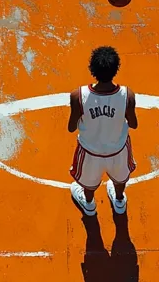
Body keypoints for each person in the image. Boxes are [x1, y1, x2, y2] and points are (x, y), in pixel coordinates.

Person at [68, 46, 138, 216]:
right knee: (120, 178)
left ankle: (90, 205)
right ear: (116, 69)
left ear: (92, 69)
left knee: (88, 183)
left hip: (90, 152)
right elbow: (134, 124)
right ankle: (119, 200)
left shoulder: (78, 95)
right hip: (118, 150)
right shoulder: (127, 95)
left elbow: (71, 127)